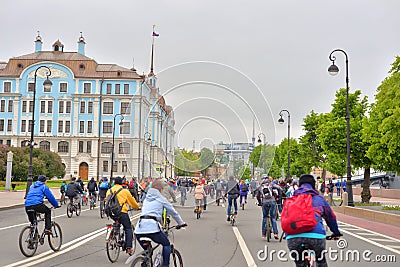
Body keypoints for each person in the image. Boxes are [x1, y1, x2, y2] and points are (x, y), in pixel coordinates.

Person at [285, 174, 342, 267]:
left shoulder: (291, 200)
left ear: (299, 185)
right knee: (321, 262)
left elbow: (286, 218)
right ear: (313, 185)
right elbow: (330, 217)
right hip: (316, 236)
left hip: (293, 237)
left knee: (299, 263)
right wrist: (336, 232)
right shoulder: (319, 199)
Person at [135, 180, 187, 267]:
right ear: (161, 190)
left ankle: (145, 263)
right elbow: (173, 213)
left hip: (139, 230)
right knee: (166, 244)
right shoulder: (162, 199)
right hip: (152, 228)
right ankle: (165, 265)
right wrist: (181, 223)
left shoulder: (146, 198)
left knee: (147, 251)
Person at [106, 176, 140, 255]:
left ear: (114, 182)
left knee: (117, 222)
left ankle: (115, 236)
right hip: (121, 212)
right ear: (122, 182)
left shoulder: (109, 191)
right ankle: (128, 247)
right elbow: (132, 201)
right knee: (128, 228)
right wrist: (137, 207)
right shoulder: (124, 191)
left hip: (111, 212)